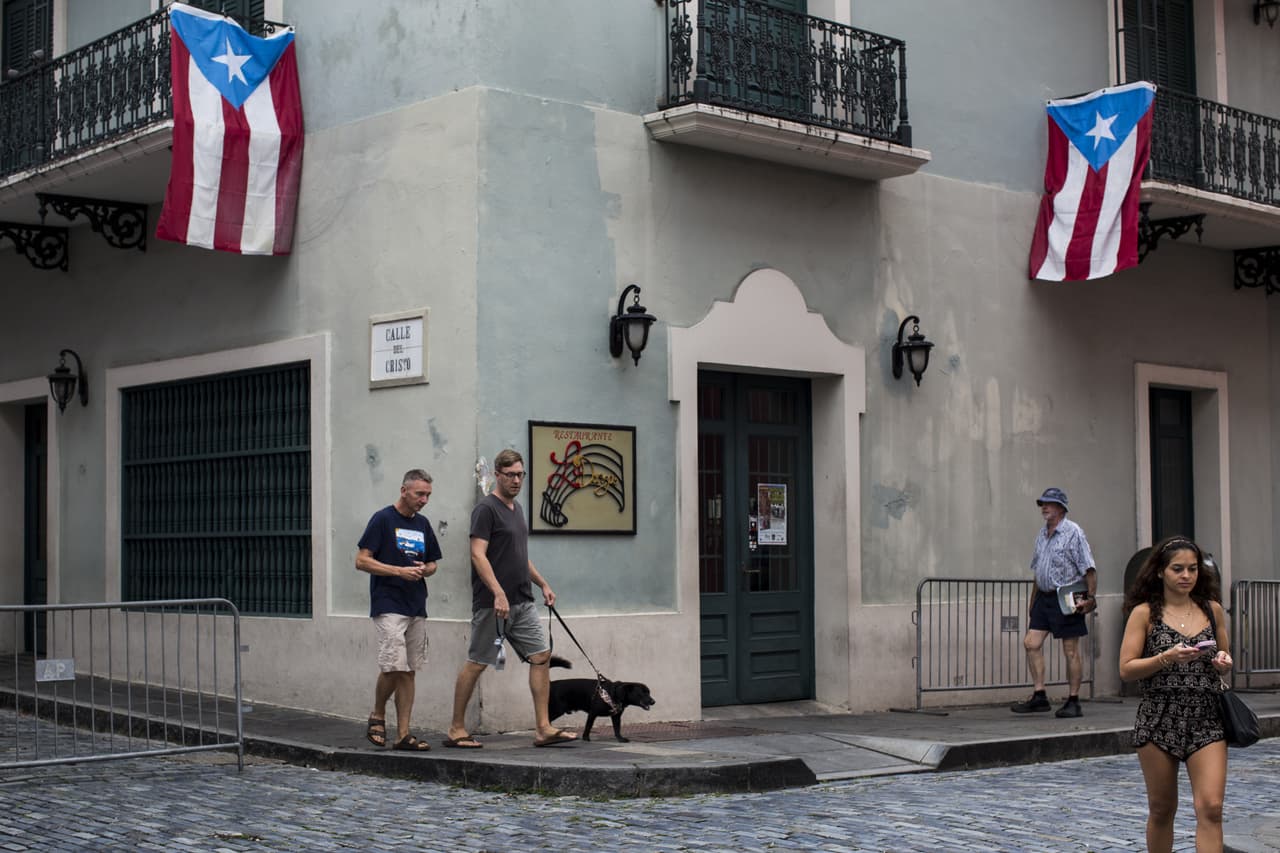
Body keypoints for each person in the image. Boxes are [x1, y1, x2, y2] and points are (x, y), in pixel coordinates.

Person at [444, 449, 577, 749]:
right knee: (477, 663)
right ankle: (455, 729)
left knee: (541, 657)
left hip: (523, 600)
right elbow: (478, 554)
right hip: (494, 604)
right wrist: (498, 592)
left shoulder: (517, 510)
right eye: (511, 475)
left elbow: (520, 556)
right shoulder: (486, 509)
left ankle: (543, 728)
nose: (517, 480)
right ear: (498, 474)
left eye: (521, 474)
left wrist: (542, 583)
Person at [1119, 536, 1233, 853]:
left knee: (1211, 806)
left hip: (1206, 717)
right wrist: (1166, 657)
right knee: (1161, 808)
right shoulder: (1144, 613)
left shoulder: (1212, 611)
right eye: (1178, 569)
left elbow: (1224, 659)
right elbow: (1126, 669)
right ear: (1160, 572)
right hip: (1159, 717)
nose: (1186, 576)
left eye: (1193, 569)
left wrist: (1223, 663)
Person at [356, 469, 441, 751]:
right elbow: (362, 561)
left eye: (428, 494)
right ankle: (378, 713)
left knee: (409, 670)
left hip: (416, 602)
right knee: (393, 664)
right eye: (419, 494)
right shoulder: (382, 519)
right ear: (404, 490)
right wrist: (397, 571)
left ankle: (403, 734)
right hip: (388, 601)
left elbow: (433, 563)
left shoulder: (423, 524)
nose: (424, 500)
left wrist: (424, 569)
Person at [1011, 487, 1097, 717]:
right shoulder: (1042, 534)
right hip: (1044, 597)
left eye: (1048, 504)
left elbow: (1089, 568)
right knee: (1031, 643)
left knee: (1070, 650)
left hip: (1067, 597)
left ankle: (1073, 700)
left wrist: (1090, 599)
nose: (1044, 508)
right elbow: (1038, 569)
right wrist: (1032, 602)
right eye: (1042, 504)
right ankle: (1040, 695)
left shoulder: (1073, 532)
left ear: (1061, 508)